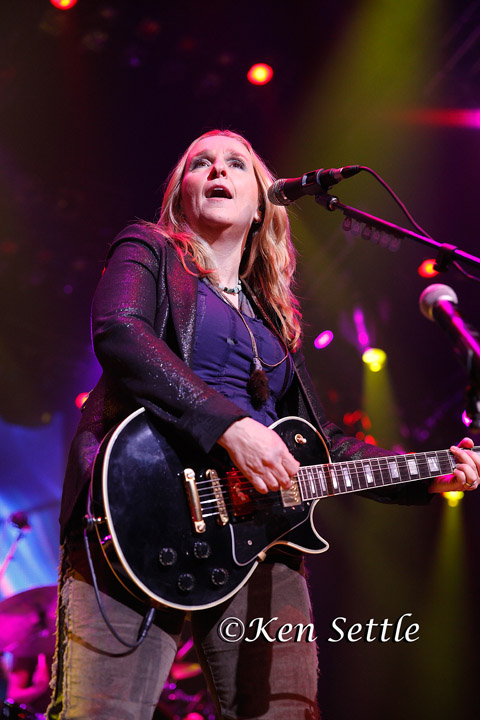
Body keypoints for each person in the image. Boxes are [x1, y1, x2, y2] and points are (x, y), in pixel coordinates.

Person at [47, 130, 480, 720]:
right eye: (200, 164)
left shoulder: (274, 319)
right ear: (180, 194)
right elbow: (121, 331)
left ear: (261, 204)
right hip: (138, 512)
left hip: (262, 537)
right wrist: (230, 427)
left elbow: (324, 447)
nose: (217, 171)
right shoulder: (148, 248)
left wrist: (428, 473)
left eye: (236, 164)